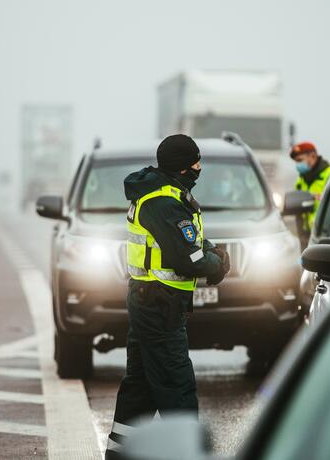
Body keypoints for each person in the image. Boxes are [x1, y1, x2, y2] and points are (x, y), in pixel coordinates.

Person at [105, 134, 230, 458]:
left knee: (141, 386)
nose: (200, 167)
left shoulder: (166, 194)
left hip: (150, 301)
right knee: (177, 385)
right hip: (160, 306)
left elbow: (187, 241)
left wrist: (209, 250)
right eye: (196, 162)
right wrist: (217, 264)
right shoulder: (164, 202)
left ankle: (120, 454)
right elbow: (187, 259)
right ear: (181, 166)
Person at [291, 141, 330, 234]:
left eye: (300, 160)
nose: (298, 165)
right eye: (296, 161)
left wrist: (318, 197)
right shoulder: (300, 180)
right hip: (305, 234)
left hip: (324, 235)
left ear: (313, 156)